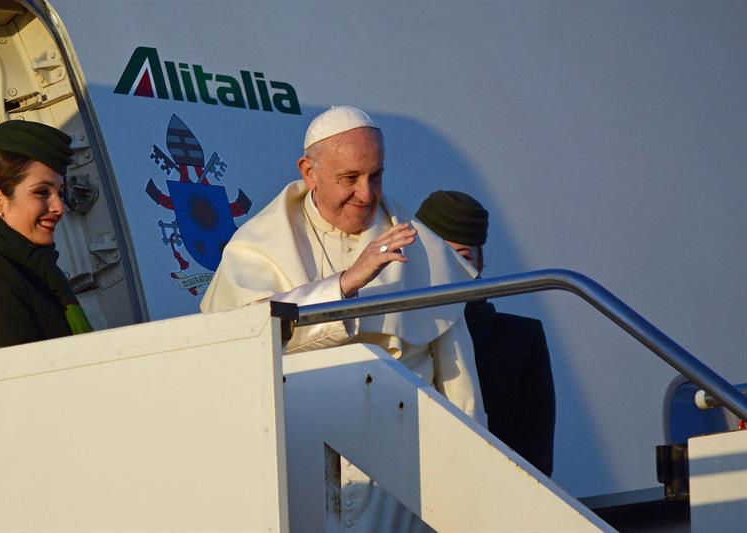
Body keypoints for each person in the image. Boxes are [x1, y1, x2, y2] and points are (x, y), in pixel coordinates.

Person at [201, 106, 482, 531]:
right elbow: (243, 339)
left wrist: (470, 485)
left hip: (403, 480)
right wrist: (345, 284)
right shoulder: (257, 248)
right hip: (303, 473)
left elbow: (461, 389)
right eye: (349, 179)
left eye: (376, 176)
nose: (367, 195)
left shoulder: (425, 250)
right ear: (309, 171)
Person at [416, 190, 556, 476]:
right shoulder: (394, 329)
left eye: (462, 256)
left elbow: (535, 460)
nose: (451, 267)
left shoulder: (520, 339)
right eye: (441, 254)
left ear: (480, 263)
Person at [0, 120, 93, 356]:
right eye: (42, 192)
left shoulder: (40, 274)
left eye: (60, 192)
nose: (58, 207)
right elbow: (14, 386)